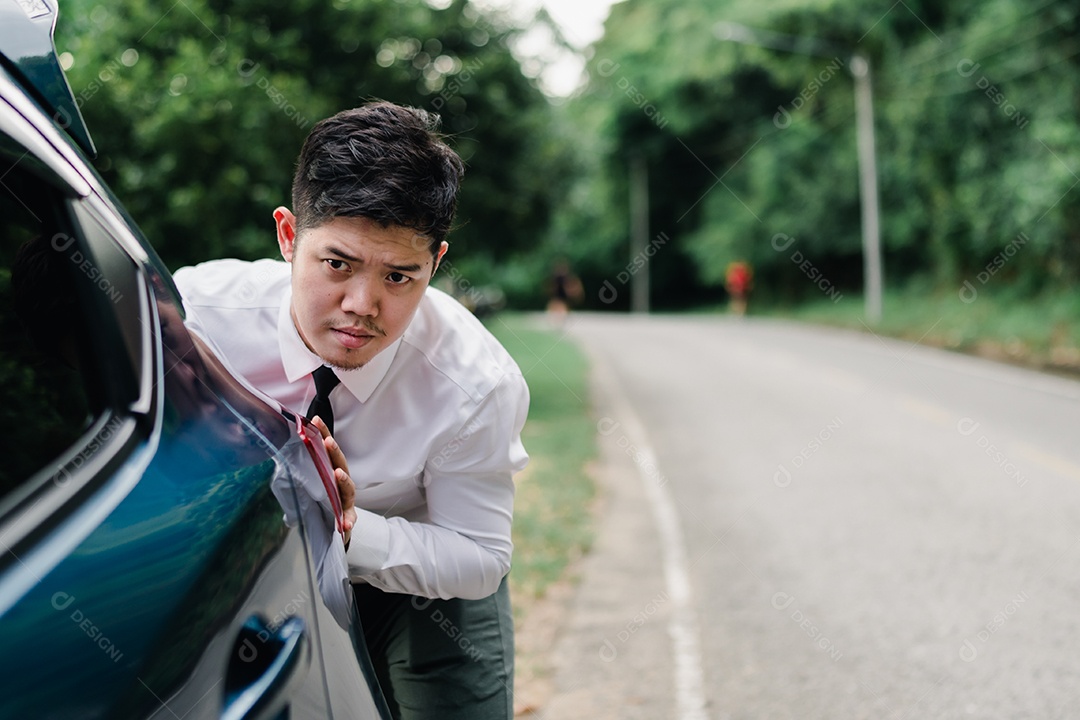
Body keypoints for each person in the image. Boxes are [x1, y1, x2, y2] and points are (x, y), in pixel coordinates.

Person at [173, 101, 529, 720]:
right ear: (289, 237)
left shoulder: (477, 384)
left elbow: (480, 558)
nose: (362, 304)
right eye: (337, 264)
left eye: (399, 277)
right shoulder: (195, 319)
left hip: (424, 577)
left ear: (436, 263)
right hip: (262, 574)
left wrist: (346, 529)